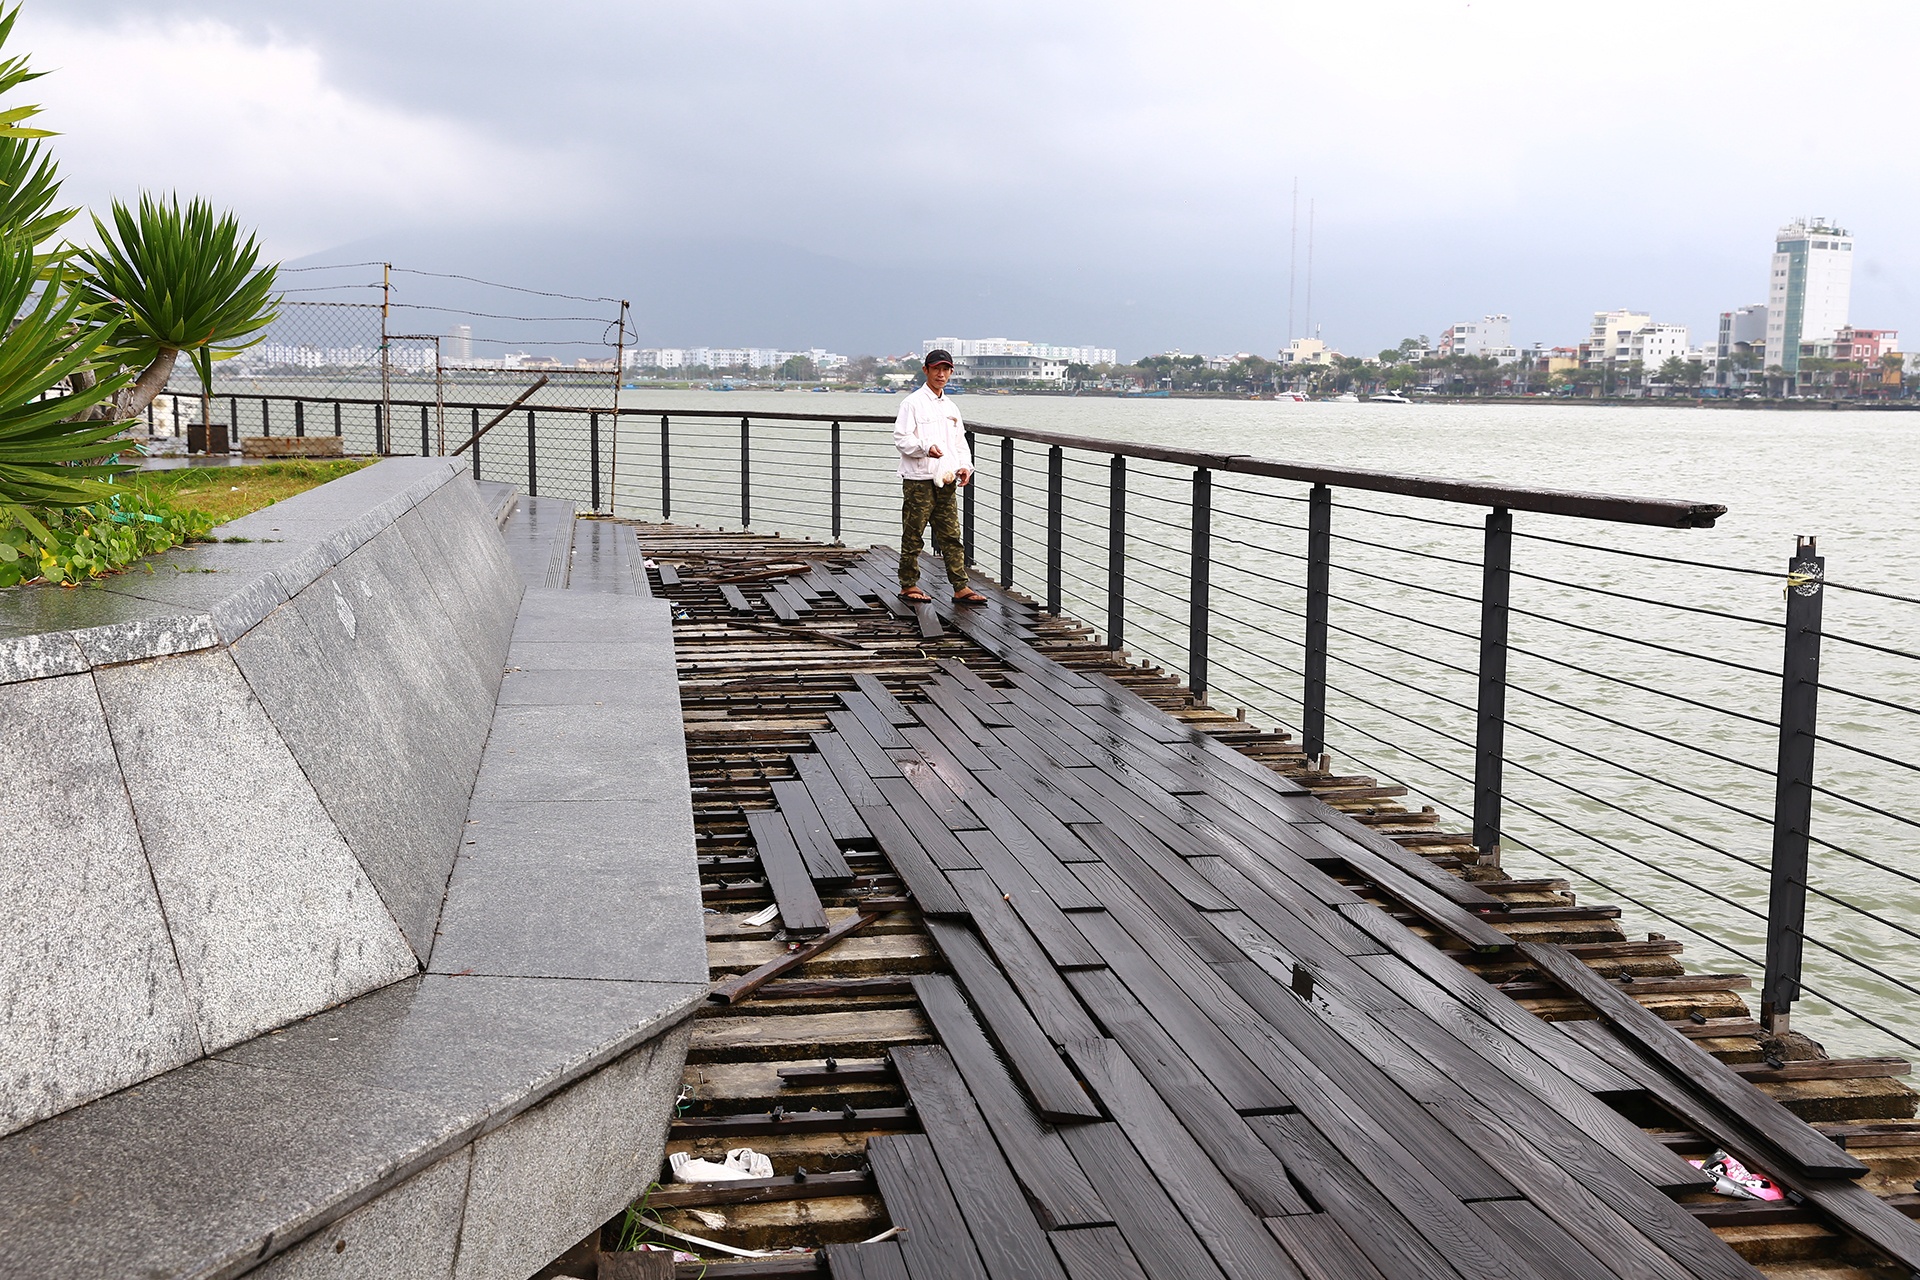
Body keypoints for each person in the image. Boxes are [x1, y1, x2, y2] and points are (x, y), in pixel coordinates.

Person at [893, 349, 986, 606]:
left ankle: (960, 587)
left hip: (946, 479)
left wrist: (965, 467)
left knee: (951, 536)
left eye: (946, 369)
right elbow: (901, 439)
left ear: (951, 372)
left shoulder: (951, 406)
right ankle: (908, 585)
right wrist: (925, 448)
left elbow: (959, 444)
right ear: (926, 370)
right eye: (936, 369)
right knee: (913, 534)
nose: (941, 374)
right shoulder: (912, 403)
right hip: (919, 479)